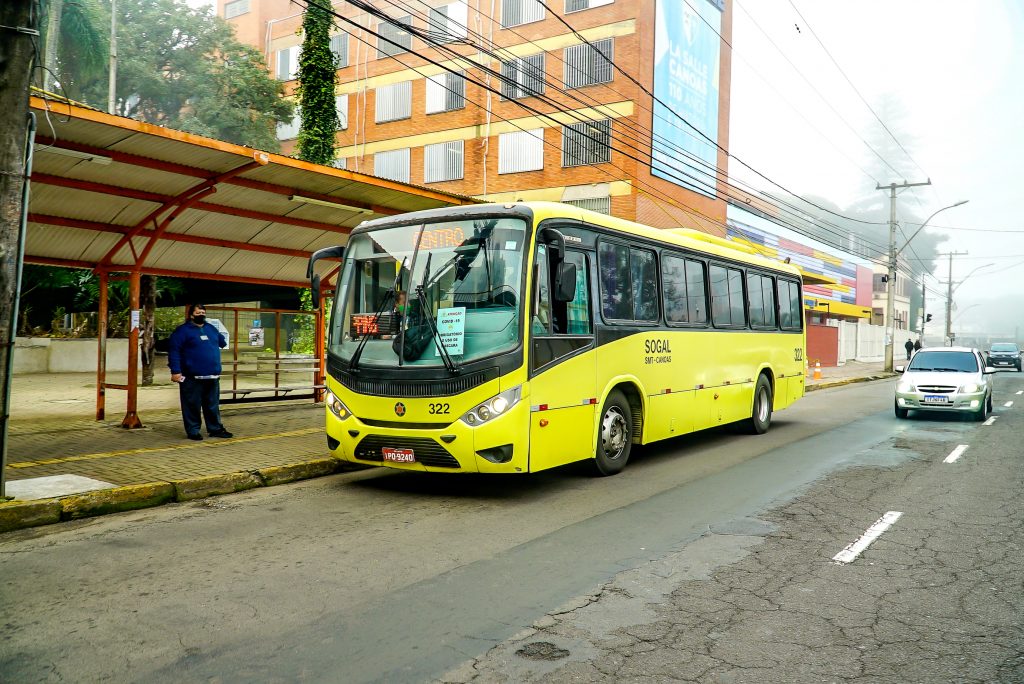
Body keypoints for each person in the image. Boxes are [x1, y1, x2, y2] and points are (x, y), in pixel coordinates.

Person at [167, 304, 232, 441]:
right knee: (192, 405)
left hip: (212, 375)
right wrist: (176, 371)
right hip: (192, 377)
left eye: (203, 312)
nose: (201, 314)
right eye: (198, 312)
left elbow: (222, 342)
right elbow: (174, 352)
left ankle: (215, 429)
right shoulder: (182, 331)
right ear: (191, 315)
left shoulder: (211, 328)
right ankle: (193, 430)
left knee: (212, 405)